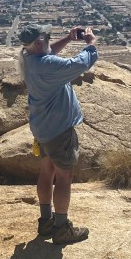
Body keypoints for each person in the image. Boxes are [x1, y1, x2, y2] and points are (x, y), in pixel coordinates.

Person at [17, 22, 98, 244]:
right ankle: (62, 229)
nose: (49, 40)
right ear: (39, 42)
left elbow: (48, 52)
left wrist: (68, 39)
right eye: (47, 37)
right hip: (59, 129)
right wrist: (91, 44)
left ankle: (46, 222)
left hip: (42, 127)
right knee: (64, 177)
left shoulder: (27, 57)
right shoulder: (47, 65)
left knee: (46, 173)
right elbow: (80, 63)